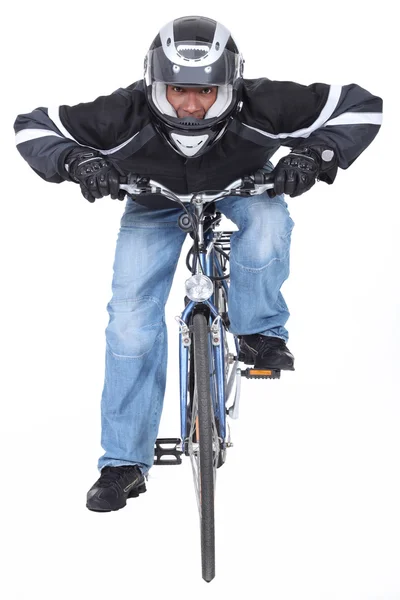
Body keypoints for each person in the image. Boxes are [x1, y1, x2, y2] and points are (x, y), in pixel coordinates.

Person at [14, 15, 382, 512]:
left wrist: (317, 154)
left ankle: (260, 332)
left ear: (232, 84)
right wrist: (77, 161)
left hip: (244, 186)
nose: (191, 105)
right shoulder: (122, 113)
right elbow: (34, 125)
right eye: (178, 91)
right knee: (129, 324)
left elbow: (361, 107)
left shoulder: (267, 102)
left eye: (207, 93)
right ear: (153, 85)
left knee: (270, 222)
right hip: (151, 199)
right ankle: (123, 464)